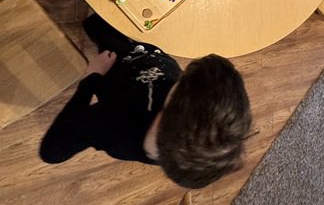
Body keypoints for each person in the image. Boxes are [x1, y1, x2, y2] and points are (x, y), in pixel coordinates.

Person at [40, 14, 252, 188]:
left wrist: (91, 79)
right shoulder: (180, 145)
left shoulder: (114, 126)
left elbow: (52, 152)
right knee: (111, 24)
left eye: (175, 92)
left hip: (115, 68)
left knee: (94, 25)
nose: (176, 84)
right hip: (146, 56)